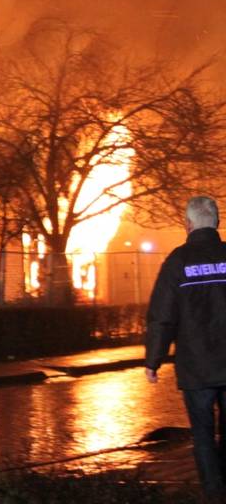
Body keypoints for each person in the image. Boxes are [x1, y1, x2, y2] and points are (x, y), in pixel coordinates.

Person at [146, 195, 226, 500]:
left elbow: (162, 317)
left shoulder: (177, 262)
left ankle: (214, 494)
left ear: (187, 224)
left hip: (197, 368)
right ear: (216, 222)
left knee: (203, 436)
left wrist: (153, 360)